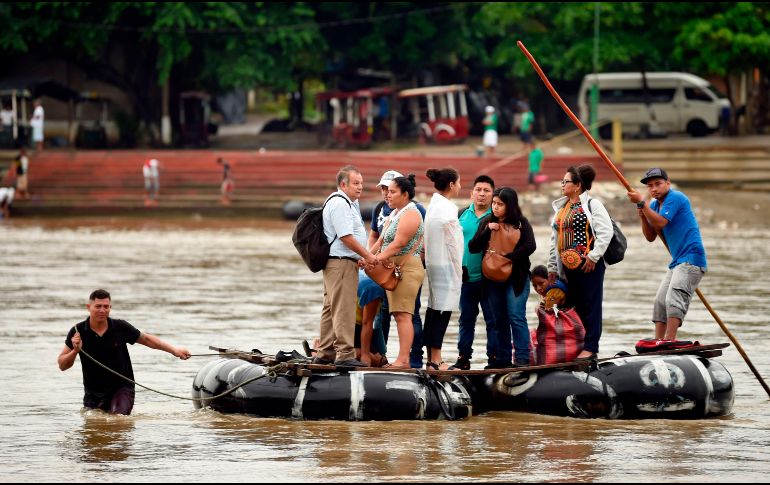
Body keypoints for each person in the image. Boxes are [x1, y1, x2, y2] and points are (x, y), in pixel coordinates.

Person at [57, 289, 191, 415]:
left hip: (122, 388)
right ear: (88, 307)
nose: (102, 310)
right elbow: (62, 365)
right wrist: (75, 351)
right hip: (93, 393)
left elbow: (147, 339)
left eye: (106, 306)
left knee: (118, 419)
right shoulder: (77, 331)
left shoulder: (120, 327)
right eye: (98, 306)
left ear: (110, 308)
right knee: (94, 427)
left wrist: (174, 350)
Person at [627, 168, 707, 341]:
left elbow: (661, 222)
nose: (654, 189)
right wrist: (643, 215)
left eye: (658, 184)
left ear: (668, 183)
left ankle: (670, 339)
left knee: (673, 298)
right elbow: (650, 236)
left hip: (691, 258)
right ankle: (659, 341)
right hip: (678, 261)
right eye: (650, 186)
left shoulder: (676, 197)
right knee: (660, 301)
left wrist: (642, 204)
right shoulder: (654, 206)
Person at [547, 164, 613, 360]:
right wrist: (552, 266)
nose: (562, 184)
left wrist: (593, 256)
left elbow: (605, 231)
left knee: (591, 305)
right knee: (573, 306)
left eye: (565, 181)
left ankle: (591, 347)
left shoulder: (593, 204)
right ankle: (575, 343)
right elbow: (554, 239)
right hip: (567, 268)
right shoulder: (562, 208)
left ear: (577, 185)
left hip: (588, 264)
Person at [315, 165, 376, 367]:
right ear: (343, 184)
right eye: (356, 183)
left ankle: (325, 352)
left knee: (330, 307)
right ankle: (345, 355)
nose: (360, 187)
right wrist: (367, 255)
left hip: (339, 262)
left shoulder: (346, 202)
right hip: (341, 263)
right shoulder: (340, 203)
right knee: (344, 308)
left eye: (361, 183)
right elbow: (345, 236)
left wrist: (359, 256)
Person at [469, 187, 536, 368]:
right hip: (492, 278)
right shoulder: (487, 222)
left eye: (500, 204)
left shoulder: (521, 223)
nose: (495, 207)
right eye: (494, 203)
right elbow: (473, 247)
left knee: (516, 316)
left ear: (510, 205)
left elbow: (531, 246)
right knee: (499, 319)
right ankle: (503, 359)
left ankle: (522, 358)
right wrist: (487, 231)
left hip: (516, 278)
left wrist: (507, 257)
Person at [368, 169, 427, 369]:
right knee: (398, 314)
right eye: (387, 191)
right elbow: (381, 240)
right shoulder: (394, 213)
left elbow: (398, 244)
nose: (388, 195)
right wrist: (366, 257)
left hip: (407, 268)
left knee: (404, 315)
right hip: (394, 267)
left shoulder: (412, 213)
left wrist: (375, 259)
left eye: (393, 192)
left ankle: (404, 360)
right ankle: (401, 358)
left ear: (405, 195)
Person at [452, 175, 496, 370]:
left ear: (493, 195)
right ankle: (463, 358)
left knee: (492, 320)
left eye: (486, 191)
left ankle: (493, 359)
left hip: (490, 279)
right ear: (471, 194)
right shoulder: (461, 214)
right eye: (478, 190)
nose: (482, 194)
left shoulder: (497, 216)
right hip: (466, 278)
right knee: (466, 320)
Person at [423, 168, 463, 370]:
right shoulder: (448, 209)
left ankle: (430, 358)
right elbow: (454, 243)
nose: (460, 186)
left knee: (433, 309)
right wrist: (459, 268)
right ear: (451, 185)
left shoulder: (433, 205)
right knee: (442, 311)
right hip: (446, 264)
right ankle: (436, 359)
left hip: (433, 263)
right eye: (459, 182)